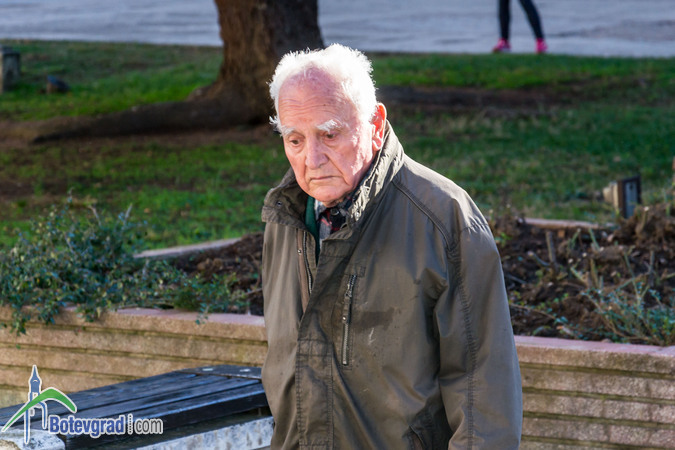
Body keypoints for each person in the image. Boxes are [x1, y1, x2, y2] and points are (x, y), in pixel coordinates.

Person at [261, 43, 522, 449]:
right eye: (295, 140)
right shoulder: (285, 218)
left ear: (376, 124)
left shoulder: (444, 219)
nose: (312, 158)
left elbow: (484, 397)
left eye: (329, 134)